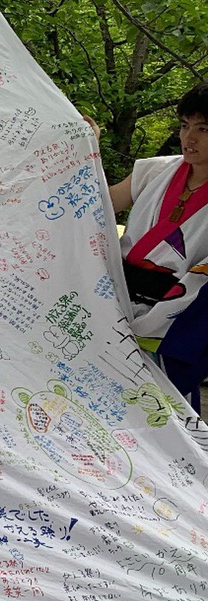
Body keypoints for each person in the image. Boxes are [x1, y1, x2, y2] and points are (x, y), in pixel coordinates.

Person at [107, 83, 208, 411]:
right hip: (114, 300)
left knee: (155, 413)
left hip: (174, 321)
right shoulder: (155, 170)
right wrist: (84, 150)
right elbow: (98, 204)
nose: (189, 138)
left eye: (203, 129)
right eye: (185, 125)